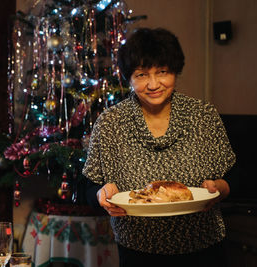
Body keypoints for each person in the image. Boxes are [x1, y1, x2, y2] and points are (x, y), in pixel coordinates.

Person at [83, 28, 235, 267]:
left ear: (175, 71)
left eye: (162, 72)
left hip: (204, 247)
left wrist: (221, 188)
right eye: (142, 74)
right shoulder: (111, 122)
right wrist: (101, 194)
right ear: (129, 78)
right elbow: (89, 187)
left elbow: (234, 177)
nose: (153, 84)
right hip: (137, 251)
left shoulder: (203, 116)